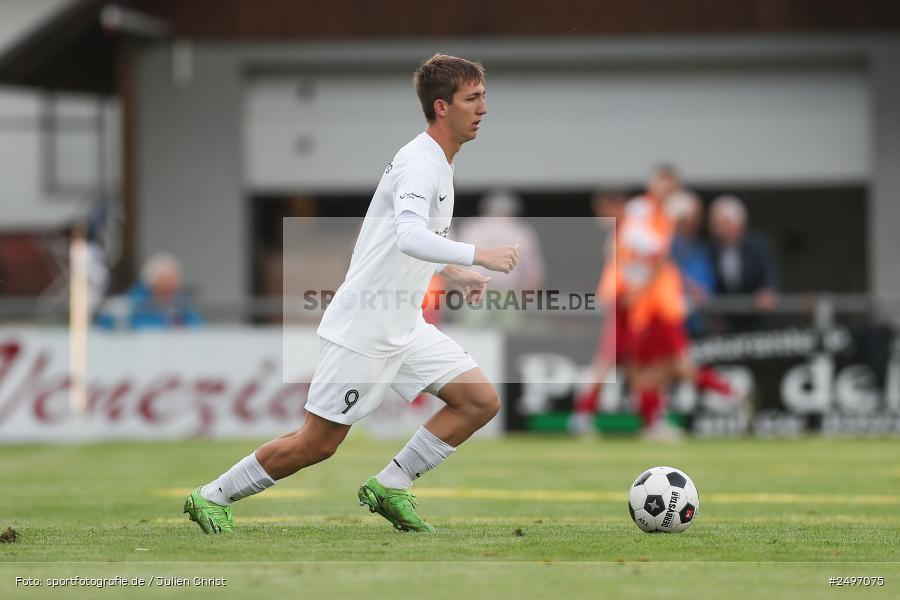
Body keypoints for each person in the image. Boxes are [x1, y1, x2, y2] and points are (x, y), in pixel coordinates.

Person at [183, 54, 519, 534]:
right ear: (442, 107)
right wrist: (475, 255)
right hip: (364, 327)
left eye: (483, 95)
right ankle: (211, 496)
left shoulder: (440, 164)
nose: (484, 107)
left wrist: (452, 270)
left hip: (403, 325)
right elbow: (407, 235)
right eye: (473, 98)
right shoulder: (420, 165)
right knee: (316, 444)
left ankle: (391, 484)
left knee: (479, 401)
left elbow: (404, 241)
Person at [456, 189, 545, 327]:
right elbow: (534, 275)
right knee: (509, 340)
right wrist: (523, 300)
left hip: (473, 291)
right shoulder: (521, 232)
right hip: (507, 295)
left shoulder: (470, 228)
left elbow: (455, 266)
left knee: (469, 339)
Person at [708, 195, 779, 332]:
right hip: (726, 322)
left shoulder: (758, 245)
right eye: (716, 225)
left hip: (755, 318)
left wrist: (768, 291)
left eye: (724, 224)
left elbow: (770, 273)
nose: (719, 230)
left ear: (739, 223)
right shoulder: (713, 249)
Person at [95, 252, 203, 330]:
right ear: (151, 284)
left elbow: (197, 329)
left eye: (173, 284)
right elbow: (106, 325)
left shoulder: (184, 308)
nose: (170, 289)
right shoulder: (132, 307)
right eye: (164, 284)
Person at [665, 190, 715, 336]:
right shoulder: (664, 246)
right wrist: (688, 286)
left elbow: (707, 286)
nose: (699, 219)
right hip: (671, 322)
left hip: (697, 324)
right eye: (694, 215)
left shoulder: (700, 247)